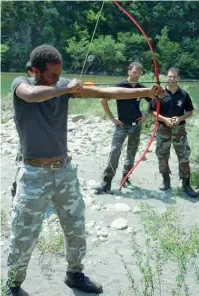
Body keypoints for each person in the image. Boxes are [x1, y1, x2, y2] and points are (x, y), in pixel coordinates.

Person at [5, 44, 163, 296]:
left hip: (64, 171)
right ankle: (13, 284)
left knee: (76, 226)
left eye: (60, 75)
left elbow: (105, 91)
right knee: (24, 232)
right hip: (34, 174)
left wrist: (146, 90)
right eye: (52, 76)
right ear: (35, 70)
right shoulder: (20, 84)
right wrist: (65, 87)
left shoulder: (62, 85)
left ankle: (74, 274)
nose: (58, 79)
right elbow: (31, 94)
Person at [95, 62, 151, 194]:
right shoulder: (120, 85)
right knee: (115, 151)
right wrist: (112, 118)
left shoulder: (141, 88)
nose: (136, 74)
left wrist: (146, 115)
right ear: (129, 71)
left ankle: (125, 178)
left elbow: (154, 101)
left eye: (139, 72)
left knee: (131, 152)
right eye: (134, 71)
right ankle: (106, 182)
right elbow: (103, 99)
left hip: (136, 125)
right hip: (122, 125)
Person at [151, 67, 197, 198]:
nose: (171, 79)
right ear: (166, 77)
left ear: (178, 78)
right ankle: (166, 181)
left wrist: (180, 119)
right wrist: (164, 119)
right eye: (169, 76)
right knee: (162, 155)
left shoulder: (184, 94)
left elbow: (189, 112)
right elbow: (152, 111)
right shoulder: (159, 93)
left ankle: (186, 184)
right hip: (162, 129)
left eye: (174, 76)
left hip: (179, 131)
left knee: (184, 156)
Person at [11, 61, 34, 198]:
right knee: (22, 162)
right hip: (26, 133)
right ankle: (16, 191)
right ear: (30, 72)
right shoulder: (22, 84)